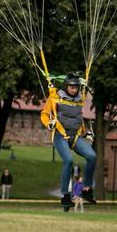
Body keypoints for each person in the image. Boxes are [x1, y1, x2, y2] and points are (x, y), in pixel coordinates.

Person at [41, 73, 96, 207]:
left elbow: (78, 118)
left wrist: (85, 133)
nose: (74, 90)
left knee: (92, 156)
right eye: (71, 87)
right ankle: (65, 196)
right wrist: (49, 124)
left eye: (76, 87)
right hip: (60, 135)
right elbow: (44, 114)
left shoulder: (79, 99)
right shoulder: (55, 98)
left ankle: (86, 190)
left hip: (75, 136)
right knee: (68, 160)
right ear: (66, 86)